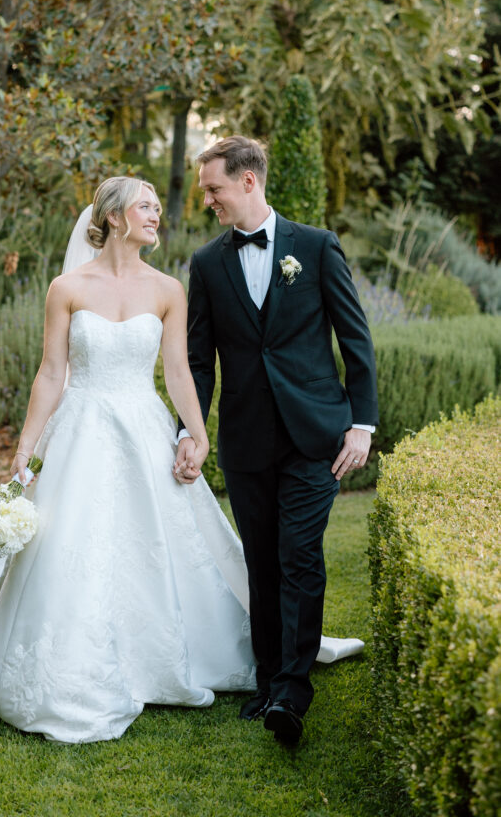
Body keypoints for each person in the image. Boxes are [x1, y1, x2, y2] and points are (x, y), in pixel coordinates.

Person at [0, 176, 258, 743]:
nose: (156, 216)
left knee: (153, 540)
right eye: (146, 207)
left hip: (143, 427)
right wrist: (24, 448)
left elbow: (177, 371)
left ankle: (156, 652)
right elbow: (51, 373)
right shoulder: (67, 287)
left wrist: (196, 431)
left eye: (158, 209)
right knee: (71, 543)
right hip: (80, 430)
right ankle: (66, 663)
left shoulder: (168, 289)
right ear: (114, 216)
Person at [175, 136, 378, 747]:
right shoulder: (207, 264)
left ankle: (293, 690)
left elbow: (356, 340)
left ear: (248, 182)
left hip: (316, 433)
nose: (207, 199)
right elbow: (198, 359)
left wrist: (361, 425)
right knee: (261, 562)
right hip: (245, 438)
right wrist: (191, 428)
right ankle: (266, 681)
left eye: (213, 188)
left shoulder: (314, 248)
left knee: (300, 557)